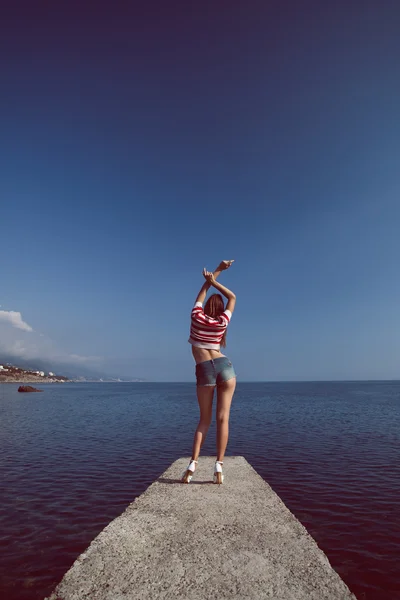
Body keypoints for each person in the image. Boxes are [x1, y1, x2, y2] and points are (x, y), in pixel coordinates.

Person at [182, 260, 237, 484]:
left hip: (204, 369)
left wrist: (213, 275)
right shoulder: (222, 322)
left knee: (204, 420)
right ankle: (219, 467)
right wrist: (217, 278)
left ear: (205, 308)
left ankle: (193, 464)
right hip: (225, 367)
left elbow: (200, 296)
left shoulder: (196, 317)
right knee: (223, 419)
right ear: (221, 310)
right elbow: (232, 298)